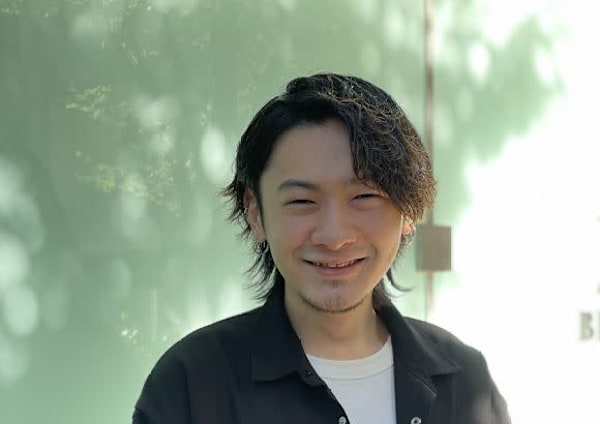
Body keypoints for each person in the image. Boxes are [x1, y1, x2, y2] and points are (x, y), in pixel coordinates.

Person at [132, 73, 511, 424]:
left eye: (364, 197)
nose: (334, 236)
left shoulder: (465, 380)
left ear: (408, 210)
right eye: (302, 201)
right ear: (255, 213)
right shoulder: (192, 383)